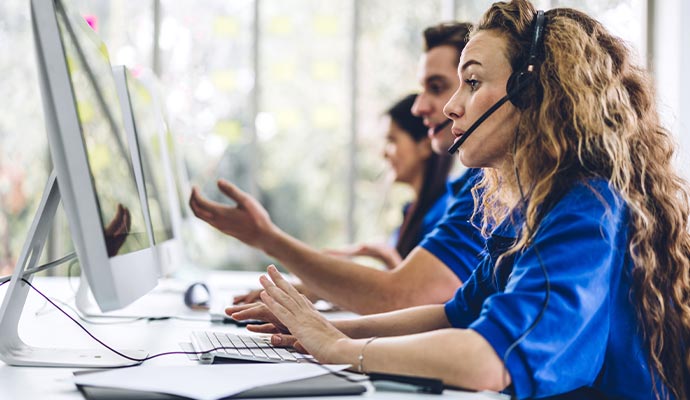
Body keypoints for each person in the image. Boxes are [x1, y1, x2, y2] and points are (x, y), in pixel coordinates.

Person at [225, 1, 690, 398]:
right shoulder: (536, 207)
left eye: (471, 82)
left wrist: (342, 351)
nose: (451, 106)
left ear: (531, 92)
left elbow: (489, 357)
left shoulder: (589, 207)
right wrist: (318, 332)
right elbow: (454, 316)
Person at [190, 22, 485, 315]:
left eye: (436, 87)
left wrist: (267, 239)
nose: (419, 107)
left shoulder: (481, 198)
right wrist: (312, 313)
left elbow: (402, 297)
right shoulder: (463, 192)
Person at [326, 93, 454, 269]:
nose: (384, 153)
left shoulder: (446, 213)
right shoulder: (411, 212)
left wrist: (388, 257)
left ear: (424, 146)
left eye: (392, 140)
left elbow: (412, 290)